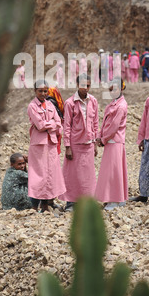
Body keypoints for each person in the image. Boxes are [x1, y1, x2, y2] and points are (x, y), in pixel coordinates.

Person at [60, 74, 99, 211]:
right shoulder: (70, 103)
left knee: (87, 175)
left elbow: (95, 122)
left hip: (88, 143)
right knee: (72, 173)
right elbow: (67, 126)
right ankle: (71, 202)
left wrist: (94, 142)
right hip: (75, 143)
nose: (85, 88)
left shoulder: (93, 101)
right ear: (77, 85)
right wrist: (67, 147)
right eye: (83, 85)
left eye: (88, 85)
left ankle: (87, 201)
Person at [27, 79, 66, 212]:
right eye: (40, 91)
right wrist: (52, 124)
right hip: (39, 144)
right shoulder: (32, 106)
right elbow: (40, 125)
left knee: (51, 173)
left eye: (45, 91)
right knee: (38, 173)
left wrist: (50, 124)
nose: (43, 93)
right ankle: (34, 205)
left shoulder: (50, 104)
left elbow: (59, 124)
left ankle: (46, 203)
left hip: (51, 143)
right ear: (35, 91)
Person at [94, 77, 128, 210]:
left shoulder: (120, 106)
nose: (112, 91)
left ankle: (114, 199)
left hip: (114, 140)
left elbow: (114, 126)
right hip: (112, 141)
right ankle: (118, 197)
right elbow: (105, 123)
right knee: (115, 170)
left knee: (112, 171)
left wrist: (103, 139)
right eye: (110, 89)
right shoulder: (114, 103)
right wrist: (100, 136)